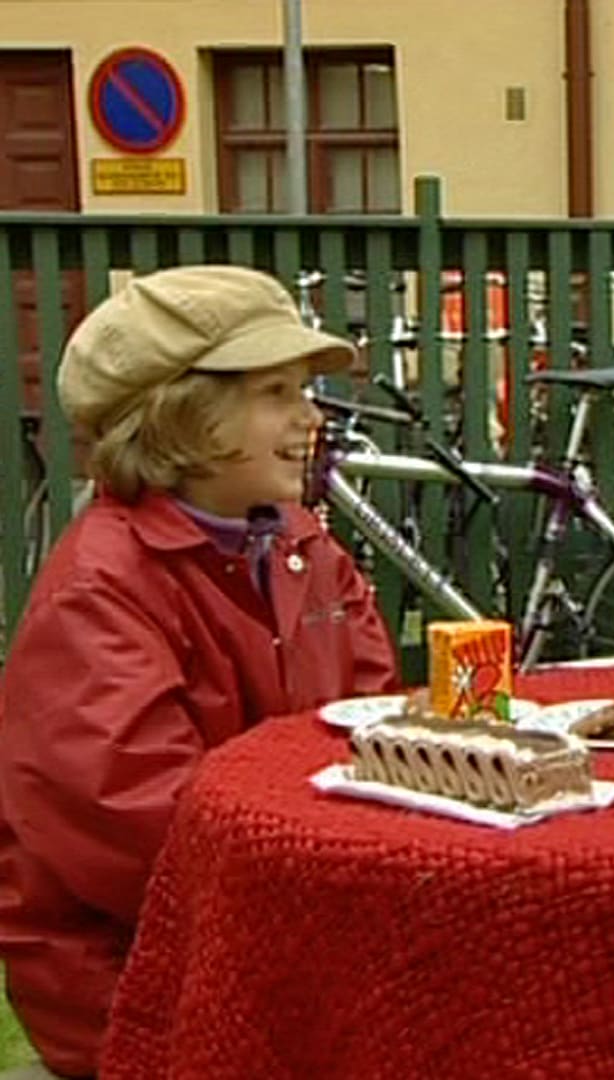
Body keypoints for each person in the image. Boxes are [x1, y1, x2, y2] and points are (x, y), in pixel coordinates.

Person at [0, 266, 399, 1078]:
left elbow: (374, 722)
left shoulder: (302, 546)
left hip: (284, 923)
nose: (311, 415)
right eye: (276, 392)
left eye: (304, 389)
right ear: (181, 417)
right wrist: (352, 880)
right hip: (143, 977)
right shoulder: (100, 589)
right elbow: (145, 830)